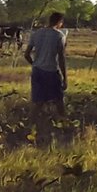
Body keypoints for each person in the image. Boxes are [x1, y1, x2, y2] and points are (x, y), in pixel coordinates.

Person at [24, 11, 68, 147]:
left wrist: (35, 64)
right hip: (51, 71)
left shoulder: (36, 34)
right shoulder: (59, 36)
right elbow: (61, 57)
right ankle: (65, 126)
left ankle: (29, 127)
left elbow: (26, 54)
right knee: (58, 100)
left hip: (37, 71)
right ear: (60, 23)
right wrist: (65, 77)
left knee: (37, 102)